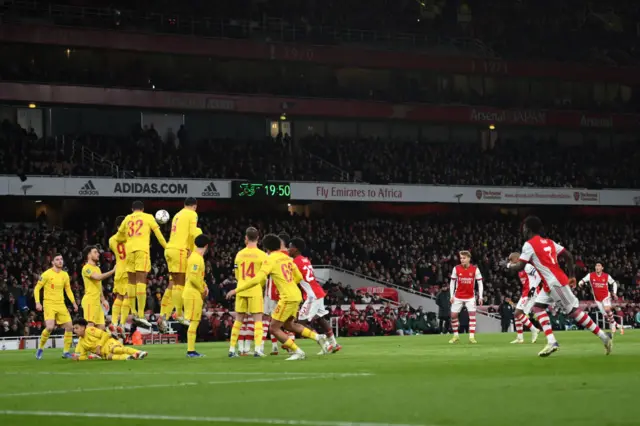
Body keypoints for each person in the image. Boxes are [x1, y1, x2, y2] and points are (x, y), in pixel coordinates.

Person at [507, 216, 612, 357]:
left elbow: (520, 266)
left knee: (573, 311)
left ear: (528, 229)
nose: (523, 230)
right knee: (538, 307)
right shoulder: (549, 242)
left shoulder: (529, 244)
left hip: (554, 282)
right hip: (549, 283)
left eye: (524, 227)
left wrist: (507, 265)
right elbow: (568, 256)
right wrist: (572, 275)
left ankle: (604, 336)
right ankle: (551, 341)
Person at [226, 234, 330, 361]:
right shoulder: (287, 258)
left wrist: (236, 290)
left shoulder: (270, 260)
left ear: (266, 248)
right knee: (289, 325)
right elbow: (298, 277)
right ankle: (318, 337)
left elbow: (257, 279)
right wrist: (288, 284)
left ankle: (298, 352)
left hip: (287, 297)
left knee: (273, 328)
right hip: (296, 295)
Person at [117, 200, 168, 328]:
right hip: (141, 250)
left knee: (131, 282)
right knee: (141, 281)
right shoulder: (148, 217)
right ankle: (140, 313)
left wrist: (129, 239)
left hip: (129, 251)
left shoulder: (127, 218)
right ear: (143, 209)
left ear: (132, 209)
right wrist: (167, 247)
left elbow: (118, 237)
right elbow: (158, 235)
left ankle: (133, 311)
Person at [289, 237, 340, 354]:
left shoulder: (294, 262)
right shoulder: (305, 260)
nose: (288, 249)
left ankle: (325, 343)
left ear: (296, 249)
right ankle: (334, 343)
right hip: (318, 292)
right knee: (320, 318)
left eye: (290, 247)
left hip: (312, 295)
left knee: (300, 323)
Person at [162, 197, 202, 329]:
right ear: (195, 206)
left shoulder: (177, 215)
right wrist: (192, 250)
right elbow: (192, 234)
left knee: (173, 283)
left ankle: (164, 314)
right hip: (179, 250)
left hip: (169, 249)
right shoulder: (192, 214)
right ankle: (179, 314)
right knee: (180, 284)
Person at [229, 227, 267, 358]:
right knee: (257, 320)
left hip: (241, 288)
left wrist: (242, 283)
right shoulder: (262, 255)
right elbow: (263, 276)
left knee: (238, 320)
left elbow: (236, 274)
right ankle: (257, 349)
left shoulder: (239, 254)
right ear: (258, 238)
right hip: (255, 290)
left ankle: (232, 349)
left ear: (246, 238)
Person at [34, 254, 78, 359]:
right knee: (49, 327)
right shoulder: (46, 274)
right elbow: (36, 289)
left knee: (69, 327)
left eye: (61, 259)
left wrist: (74, 303)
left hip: (61, 304)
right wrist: (37, 302)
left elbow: (68, 290)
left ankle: (66, 352)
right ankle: (40, 349)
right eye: (57, 259)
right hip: (49, 303)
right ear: (53, 262)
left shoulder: (65, 275)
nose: (60, 261)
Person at [261, 232, 290, 355]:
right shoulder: (289, 256)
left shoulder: (273, 256)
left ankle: (269, 346)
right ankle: (281, 346)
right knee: (287, 321)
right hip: (286, 292)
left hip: (273, 291)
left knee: (268, 318)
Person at [183, 234, 211, 358]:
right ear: (206, 246)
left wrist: (204, 285)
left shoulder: (195, 257)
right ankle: (190, 351)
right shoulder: (197, 258)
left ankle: (191, 350)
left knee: (195, 321)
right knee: (194, 321)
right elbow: (194, 278)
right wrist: (201, 289)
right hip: (193, 293)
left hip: (192, 292)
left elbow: (196, 277)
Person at [448, 251, 483, 344]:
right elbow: (452, 283)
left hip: (470, 297)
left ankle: (471, 337)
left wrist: (481, 296)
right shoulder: (456, 268)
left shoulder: (475, 269)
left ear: (469, 258)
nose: (462, 260)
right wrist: (451, 296)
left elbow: (480, 283)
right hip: (458, 296)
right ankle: (456, 336)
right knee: (453, 316)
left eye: (464, 258)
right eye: (461, 258)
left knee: (472, 316)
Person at [71, 318, 147, 361]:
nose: (74, 330)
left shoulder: (90, 330)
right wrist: (77, 358)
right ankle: (129, 357)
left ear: (83, 327)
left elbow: (105, 334)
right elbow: (83, 356)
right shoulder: (80, 342)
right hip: (104, 353)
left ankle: (139, 352)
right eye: (74, 328)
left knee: (116, 350)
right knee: (111, 357)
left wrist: (99, 346)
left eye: (76, 328)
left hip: (110, 344)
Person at [578, 263, 623, 335]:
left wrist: (614, 293)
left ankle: (614, 325)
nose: (597, 267)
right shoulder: (590, 275)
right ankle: (616, 325)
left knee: (607, 309)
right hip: (597, 299)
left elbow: (614, 283)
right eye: (596, 266)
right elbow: (582, 281)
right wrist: (580, 283)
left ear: (602, 268)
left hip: (606, 296)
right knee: (605, 315)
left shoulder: (606, 276)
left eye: (599, 266)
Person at [507, 252, 541, 344]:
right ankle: (520, 338)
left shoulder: (527, 266)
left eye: (511, 259)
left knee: (518, 313)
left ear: (517, 259)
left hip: (531, 293)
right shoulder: (520, 268)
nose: (510, 261)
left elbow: (538, 276)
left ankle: (534, 330)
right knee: (516, 314)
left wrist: (533, 288)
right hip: (525, 293)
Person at [81, 246, 115, 331]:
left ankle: (96, 344)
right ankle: (83, 344)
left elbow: (99, 286)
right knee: (90, 325)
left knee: (101, 327)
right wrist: (113, 271)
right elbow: (98, 277)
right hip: (90, 300)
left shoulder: (97, 268)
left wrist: (103, 300)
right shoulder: (86, 268)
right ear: (89, 255)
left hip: (97, 302)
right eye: (95, 252)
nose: (98, 254)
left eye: (98, 252)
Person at [108, 216, 128, 337]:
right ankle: (122, 324)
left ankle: (114, 323)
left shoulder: (111, 240)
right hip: (128, 270)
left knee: (119, 297)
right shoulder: (129, 238)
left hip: (118, 270)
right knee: (128, 297)